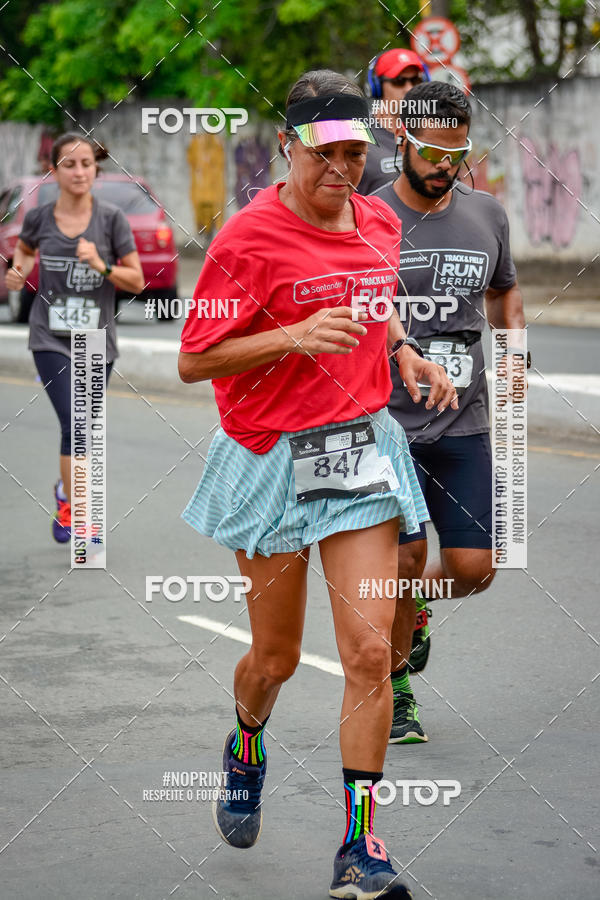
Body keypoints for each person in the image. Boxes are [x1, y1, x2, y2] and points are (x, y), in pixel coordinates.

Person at [178, 70, 456, 899]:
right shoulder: (248, 240)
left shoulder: (377, 217)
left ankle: (360, 848)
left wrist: (401, 348)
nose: (343, 169)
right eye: (327, 153)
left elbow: (377, 299)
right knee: (276, 656)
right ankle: (246, 739)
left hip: (359, 449)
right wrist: (291, 335)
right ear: (289, 148)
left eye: (356, 153)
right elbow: (195, 359)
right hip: (270, 453)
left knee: (370, 650)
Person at [370, 82, 527, 743]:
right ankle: (397, 688)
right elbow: (366, 303)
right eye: (433, 148)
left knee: (473, 569)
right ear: (403, 140)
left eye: (457, 151)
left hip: (464, 423)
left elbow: (504, 294)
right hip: (386, 427)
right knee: (403, 561)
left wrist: (515, 360)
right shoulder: (368, 215)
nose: (445, 163)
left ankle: (415, 613)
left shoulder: (487, 215)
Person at [5, 133, 144, 543]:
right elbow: (26, 252)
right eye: (69, 164)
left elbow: (135, 279)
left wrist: (101, 265)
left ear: (95, 170)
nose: (79, 172)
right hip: (50, 335)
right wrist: (18, 271)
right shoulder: (39, 218)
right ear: (53, 171)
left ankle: (66, 492)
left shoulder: (112, 220)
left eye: (86, 164)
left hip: (95, 340)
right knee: (76, 423)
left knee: (82, 426)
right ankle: (80, 515)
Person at [358, 48, 430, 195]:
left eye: (416, 80)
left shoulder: (434, 134)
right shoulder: (360, 136)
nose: (409, 88)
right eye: (399, 81)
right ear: (376, 88)